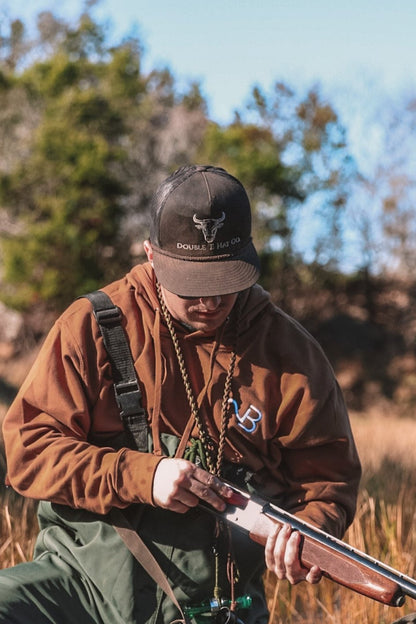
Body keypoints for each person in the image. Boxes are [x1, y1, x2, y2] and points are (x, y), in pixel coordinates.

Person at [0, 164, 361, 624]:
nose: (210, 302)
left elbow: (327, 484)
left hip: (213, 607)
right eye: (193, 285)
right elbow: (27, 454)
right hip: (77, 586)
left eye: (225, 282)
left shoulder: (294, 356)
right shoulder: (89, 327)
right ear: (150, 254)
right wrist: (142, 476)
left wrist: (309, 531)